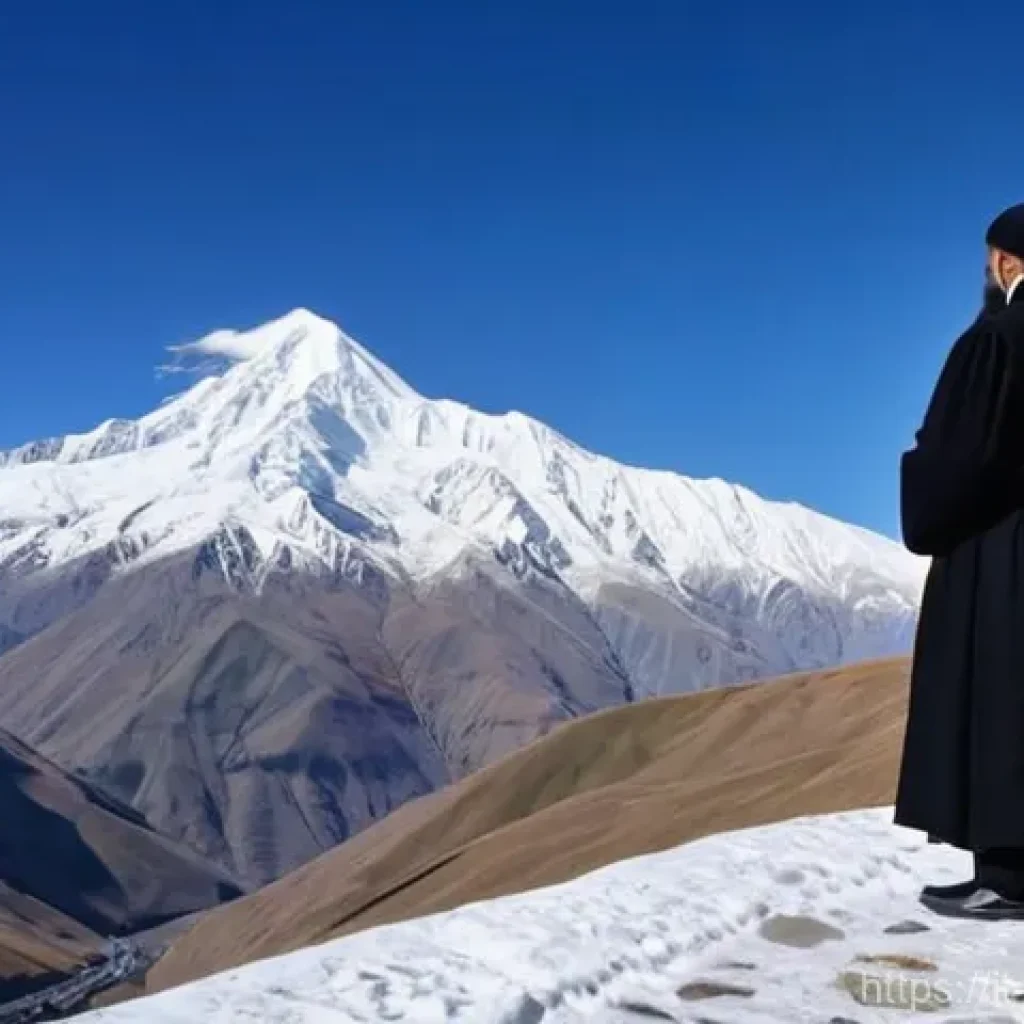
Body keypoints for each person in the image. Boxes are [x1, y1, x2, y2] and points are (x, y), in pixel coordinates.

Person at [894, 202, 1024, 920]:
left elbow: (961, 457)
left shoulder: (997, 341)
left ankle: (1008, 876)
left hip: (1006, 552)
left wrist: (924, 477)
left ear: (1006, 262)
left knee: (1002, 700)